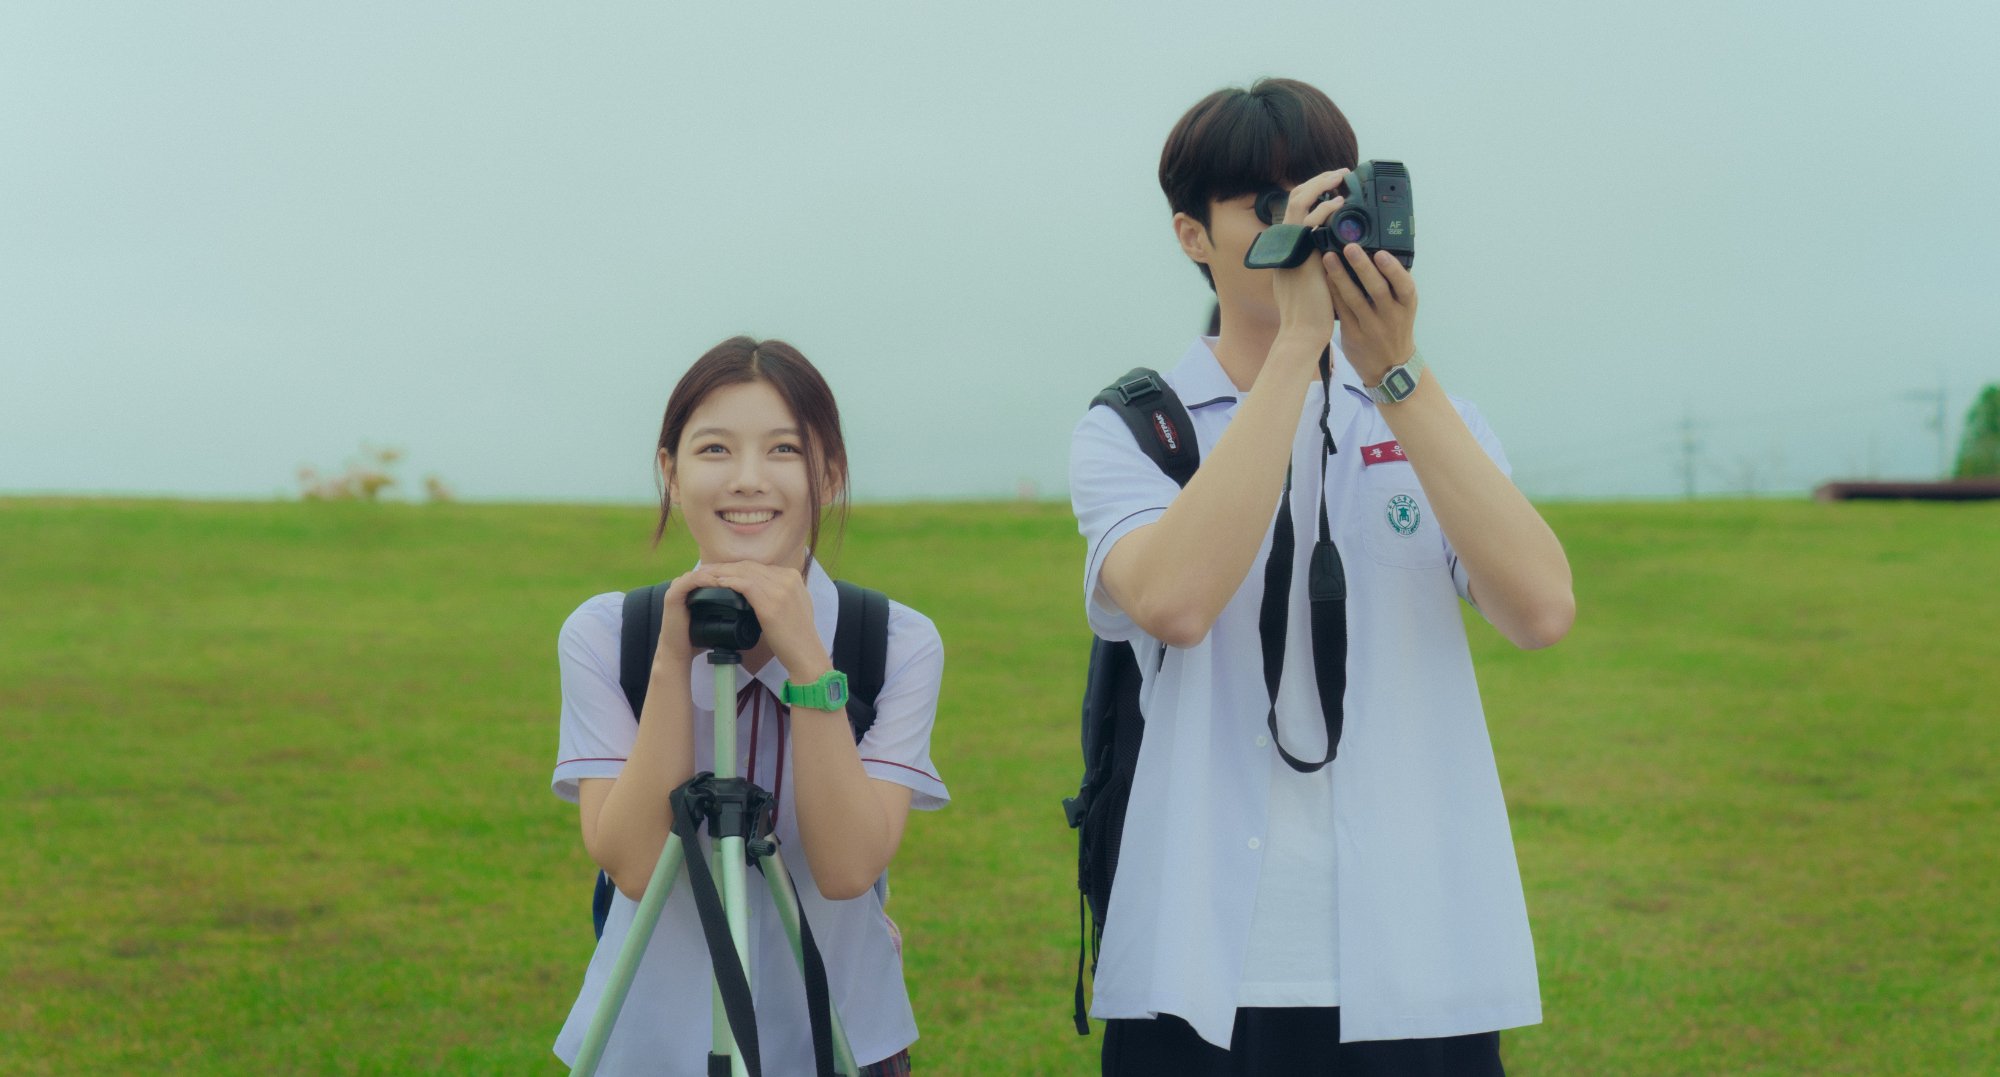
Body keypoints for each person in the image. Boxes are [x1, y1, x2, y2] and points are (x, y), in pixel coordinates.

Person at [1068, 78, 1576, 1074]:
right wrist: (1298, 346)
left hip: (1416, 955)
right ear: (1190, 236)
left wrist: (1392, 373)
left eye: (1317, 194)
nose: (1301, 223)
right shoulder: (1137, 427)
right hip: (1200, 961)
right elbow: (1172, 601)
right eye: (1265, 205)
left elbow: (1539, 610)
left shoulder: (1431, 415)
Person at [551, 336, 946, 1075]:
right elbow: (636, 865)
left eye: (785, 451)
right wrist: (673, 658)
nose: (748, 480)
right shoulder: (609, 635)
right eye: (713, 451)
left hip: (841, 1042)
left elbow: (847, 868)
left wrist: (809, 665)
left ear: (829, 474)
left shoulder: (896, 641)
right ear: (669, 472)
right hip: (646, 1044)